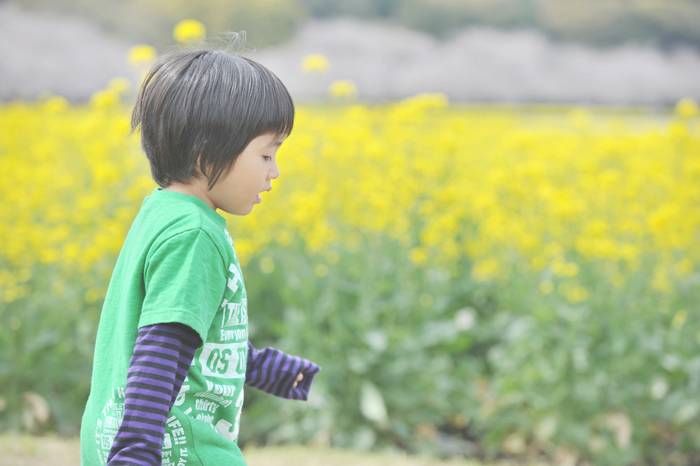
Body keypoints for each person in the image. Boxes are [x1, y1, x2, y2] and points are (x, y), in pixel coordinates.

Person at [80, 47, 320, 466]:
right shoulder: (196, 235)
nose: (275, 170)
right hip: (175, 449)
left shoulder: (161, 212)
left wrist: (260, 366)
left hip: (121, 435)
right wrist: (135, 454)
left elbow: (181, 331)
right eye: (266, 154)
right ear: (208, 151)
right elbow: (162, 347)